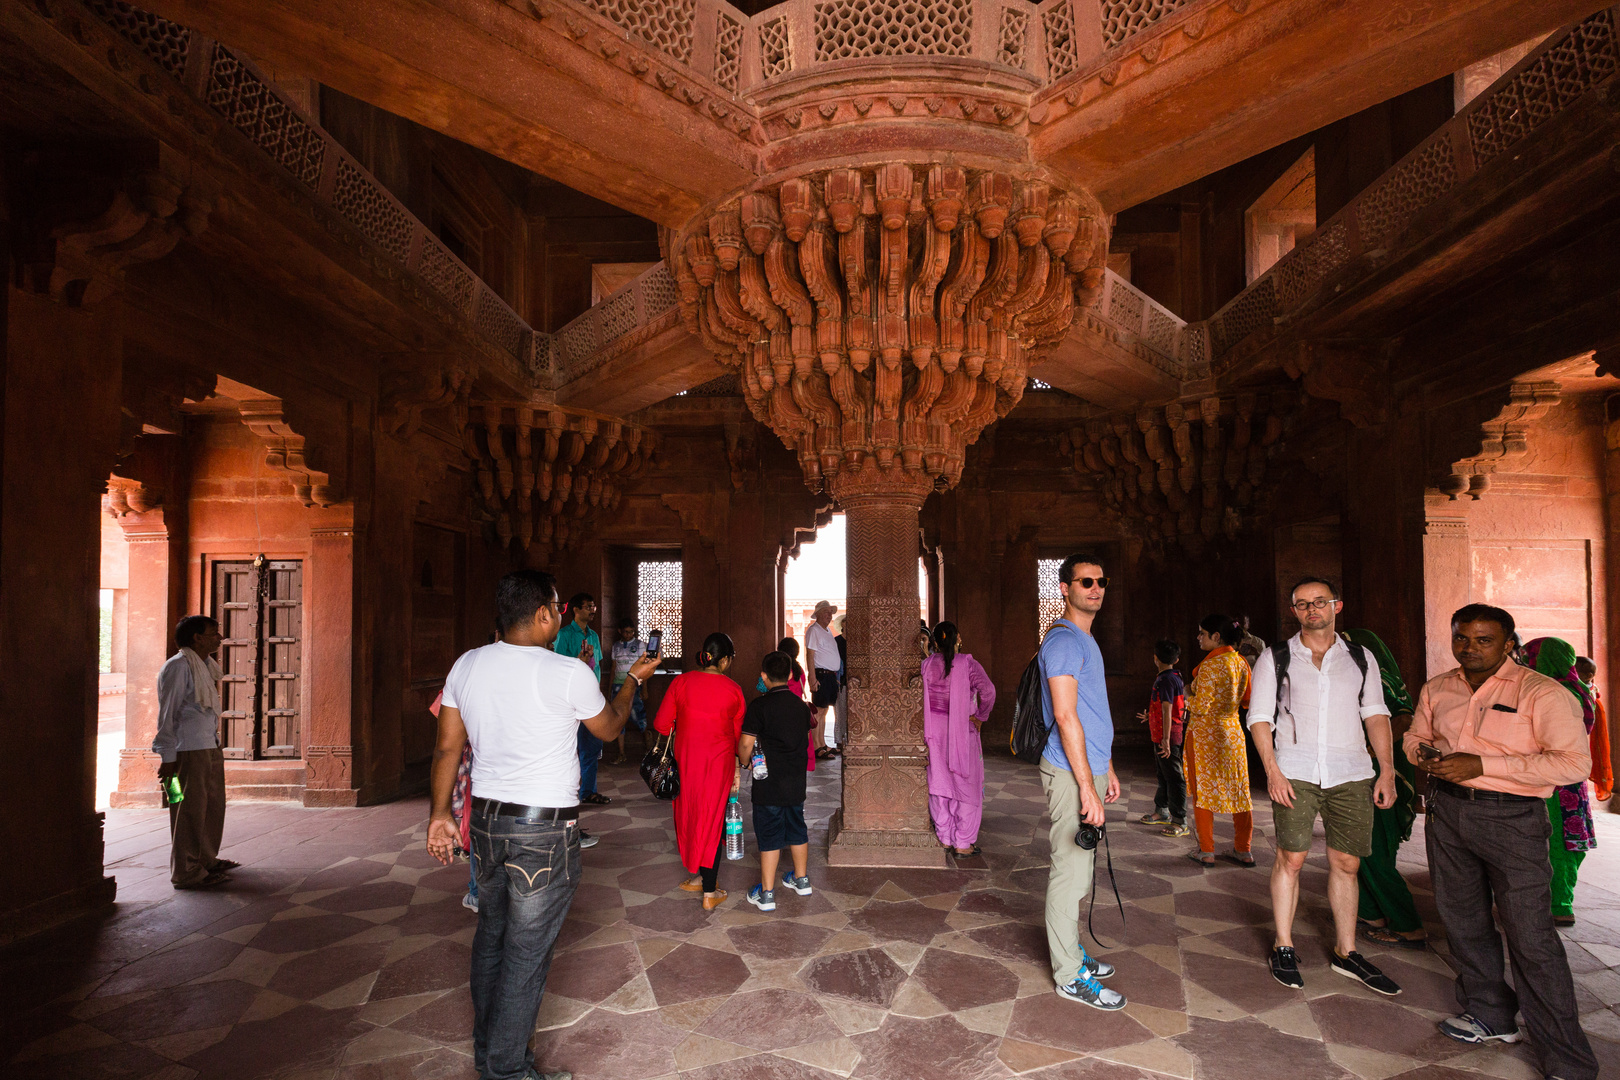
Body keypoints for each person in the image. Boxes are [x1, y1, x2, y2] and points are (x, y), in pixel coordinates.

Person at [426, 569, 658, 1080]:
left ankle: (489, 1051)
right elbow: (611, 726)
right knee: (525, 955)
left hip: (485, 822)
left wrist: (441, 815)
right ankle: (507, 1070)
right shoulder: (566, 671)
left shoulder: (466, 665)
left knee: (491, 937)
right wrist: (634, 680)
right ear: (542, 614)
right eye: (555, 605)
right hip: (543, 831)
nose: (559, 613)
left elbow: (447, 747)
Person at [1405, 604, 1596, 1080]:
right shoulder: (1439, 687)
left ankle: (1567, 1059)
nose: (1470, 649)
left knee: (1531, 936)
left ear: (1509, 642)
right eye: (1462, 639)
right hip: (1448, 813)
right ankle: (1490, 1014)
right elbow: (1413, 736)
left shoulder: (1542, 693)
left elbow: (1573, 765)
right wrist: (1424, 754)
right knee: (1462, 919)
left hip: (1512, 821)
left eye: (1483, 640)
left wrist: (1484, 765)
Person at [1247, 579, 1400, 996]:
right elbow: (1260, 716)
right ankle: (1283, 944)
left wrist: (1385, 770)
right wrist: (1272, 771)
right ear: (1294, 611)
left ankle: (1346, 952)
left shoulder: (1360, 657)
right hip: (1294, 770)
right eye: (1302, 604)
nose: (1312, 609)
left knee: (1347, 864)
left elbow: (1375, 714)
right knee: (1291, 858)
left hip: (1350, 771)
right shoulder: (1276, 657)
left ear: (1337, 605)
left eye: (1319, 602)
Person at [1038, 553, 1126, 1011]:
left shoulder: (1087, 639)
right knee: (1070, 874)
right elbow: (1066, 715)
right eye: (1085, 581)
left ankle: (1072, 953)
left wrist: (1104, 765)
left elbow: (1093, 711)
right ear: (1065, 588)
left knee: (1081, 870)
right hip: (1071, 773)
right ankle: (1069, 975)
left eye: (1101, 580)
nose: (1095, 588)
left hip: (1087, 768)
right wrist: (1086, 786)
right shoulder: (1065, 643)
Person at [1343, 629, 1426, 949]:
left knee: (1374, 849)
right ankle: (1371, 912)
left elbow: (1404, 720)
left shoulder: (1380, 679)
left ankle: (1408, 925)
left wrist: (1370, 752)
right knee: (1355, 846)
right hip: (1356, 772)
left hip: (1376, 773)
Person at [656, 632, 748, 911]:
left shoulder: (680, 682)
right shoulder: (733, 689)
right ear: (726, 660)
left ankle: (704, 879)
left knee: (691, 815)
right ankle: (709, 890)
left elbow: (662, 725)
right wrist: (740, 767)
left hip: (686, 762)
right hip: (718, 764)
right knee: (712, 819)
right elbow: (737, 737)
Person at [1519, 638, 1601, 928]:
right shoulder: (1580, 689)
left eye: (1529, 657)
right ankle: (1560, 900)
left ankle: (1556, 904)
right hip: (1571, 780)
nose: (1524, 662)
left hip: (1550, 778)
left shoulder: (1550, 692)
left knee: (1551, 838)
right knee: (1567, 840)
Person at [154, 615, 239, 889]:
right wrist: (168, 759)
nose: (220, 637)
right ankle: (186, 871)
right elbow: (166, 715)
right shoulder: (178, 668)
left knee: (211, 807)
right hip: (185, 753)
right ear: (196, 638)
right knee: (185, 809)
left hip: (207, 747)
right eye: (214, 633)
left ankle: (205, 860)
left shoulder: (203, 665)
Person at [739, 650, 815, 912]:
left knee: (770, 835)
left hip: (768, 785)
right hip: (795, 782)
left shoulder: (759, 706)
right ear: (791, 674)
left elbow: (746, 744)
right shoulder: (800, 706)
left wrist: (744, 761)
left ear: (763, 676)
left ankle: (767, 895)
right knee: (797, 827)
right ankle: (801, 880)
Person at [1183, 614, 1254, 868]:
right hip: (1233, 733)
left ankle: (1207, 850)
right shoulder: (1241, 662)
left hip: (1205, 737)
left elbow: (1200, 706)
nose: (1198, 638)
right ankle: (1243, 850)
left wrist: (1186, 694)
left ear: (1216, 637)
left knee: (1203, 791)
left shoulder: (1210, 666)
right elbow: (1247, 700)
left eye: (1202, 633)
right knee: (1239, 790)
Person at [924, 621, 997, 858]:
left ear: (935, 642)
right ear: (958, 639)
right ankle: (963, 842)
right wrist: (980, 717)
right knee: (966, 785)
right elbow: (988, 691)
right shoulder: (967, 664)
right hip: (961, 734)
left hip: (934, 735)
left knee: (940, 784)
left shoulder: (926, 665)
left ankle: (945, 837)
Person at [555, 593, 609, 820]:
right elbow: (557, 666)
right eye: (589, 606)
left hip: (591, 699)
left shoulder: (594, 636)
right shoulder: (564, 635)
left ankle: (588, 791)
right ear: (575, 610)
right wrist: (578, 660)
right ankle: (565, 796)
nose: (593, 610)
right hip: (569, 701)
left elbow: (597, 666)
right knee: (568, 749)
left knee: (591, 748)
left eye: (594, 606)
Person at [1136, 639, 1188, 838]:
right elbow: (1172, 706)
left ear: (1155, 658)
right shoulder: (1173, 675)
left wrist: (1166, 740)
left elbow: (1168, 710)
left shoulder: (1165, 679)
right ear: (1176, 659)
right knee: (1164, 774)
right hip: (1161, 734)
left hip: (1167, 736)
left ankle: (1180, 820)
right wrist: (1150, 716)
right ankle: (1162, 810)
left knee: (1174, 778)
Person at [609, 618, 651, 765]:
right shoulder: (616, 646)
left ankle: (649, 750)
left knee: (640, 718)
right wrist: (610, 689)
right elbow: (614, 668)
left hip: (634, 685)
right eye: (626, 632)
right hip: (618, 686)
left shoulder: (640, 645)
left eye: (631, 632)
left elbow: (644, 668)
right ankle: (621, 753)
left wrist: (644, 689)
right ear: (620, 631)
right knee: (618, 720)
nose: (629, 635)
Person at [806, 601, 840, 759]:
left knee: (824, 710)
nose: (829, 615)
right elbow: (810, 654)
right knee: (818, 711)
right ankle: (816, 747)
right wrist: (812, 677)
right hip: (821, 675)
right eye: (826, 612)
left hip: (830, 675)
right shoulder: (814, 630)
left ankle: (823, 744)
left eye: (830, 612)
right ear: (818, 614)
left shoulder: (826, 631)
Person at [833, 615, 849, 751]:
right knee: (840, 711)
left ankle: (850, 738)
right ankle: (839, 739)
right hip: (840, 680)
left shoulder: (856, 642)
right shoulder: (836, 641)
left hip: (853, 680)